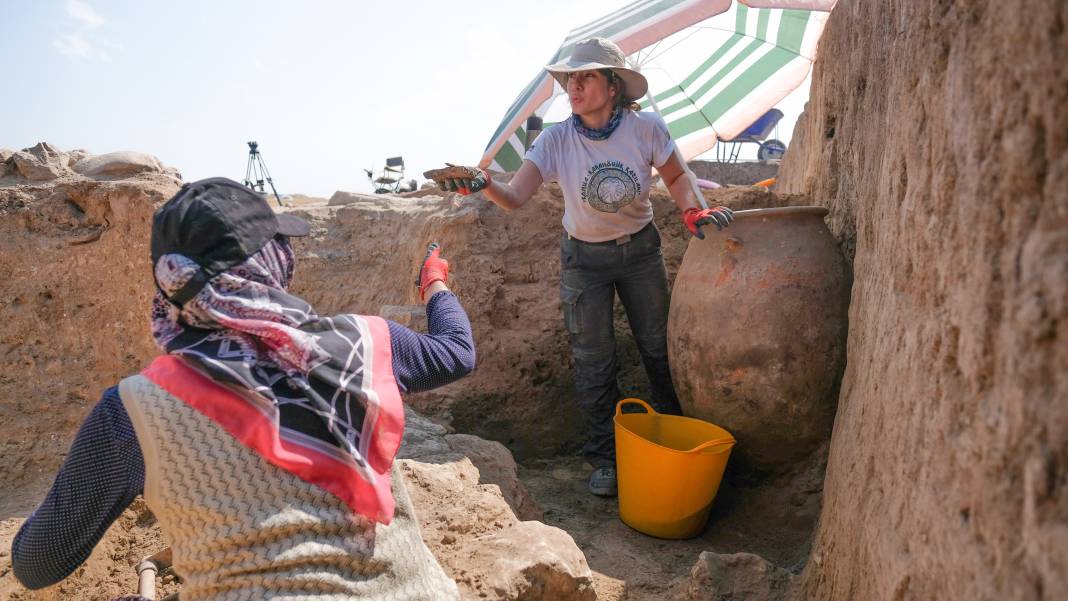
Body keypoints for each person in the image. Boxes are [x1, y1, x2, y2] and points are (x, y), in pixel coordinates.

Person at [12, 177, 474, 600]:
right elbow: (456, 350)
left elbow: (37, 565)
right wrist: (434, 284)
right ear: (271, 267)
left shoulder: (135, 410)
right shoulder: (365, 344)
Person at [430, 37, 733, 497]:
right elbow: (514, 197)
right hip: (583, 260)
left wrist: (692, 211)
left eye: (586, 76)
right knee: (593, 362)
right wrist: (483, 182)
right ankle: (605, 460)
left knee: (658, 348)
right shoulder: (556, 139)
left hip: (640, 254)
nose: (574, 85)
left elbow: (675, 176)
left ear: (613, 86)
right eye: (570, 78)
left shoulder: (645, 128)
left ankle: (675, 441)